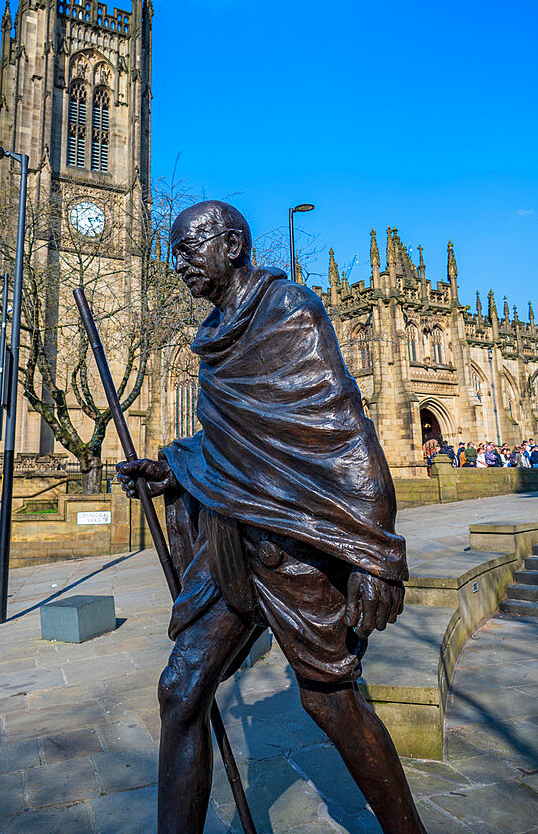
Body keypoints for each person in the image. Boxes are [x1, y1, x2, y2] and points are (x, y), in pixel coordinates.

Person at [118, 201, 425, 834]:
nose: (177, 265)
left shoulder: (289, 311)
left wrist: (376, 558)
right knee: (181, 692)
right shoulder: (213, 337)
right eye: (173, 252)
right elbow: (231, 443)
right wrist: (174, 470)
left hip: (292, 547)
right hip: (229, 542)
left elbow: (344, 435)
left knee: (330, 702)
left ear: (230, 245)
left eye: (188, 250)